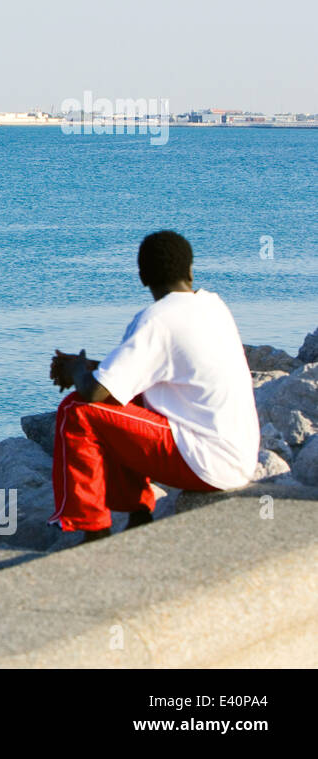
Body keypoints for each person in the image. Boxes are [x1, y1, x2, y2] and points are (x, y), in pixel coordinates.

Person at [48, 230, 260, 542]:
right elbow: (140, 373)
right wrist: (85, 369)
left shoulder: (156, 320)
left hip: (204, 462)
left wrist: (77, 369)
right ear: (190, 271)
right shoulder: (213, 305)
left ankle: (93, 529)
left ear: (142, 277)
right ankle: (137, 514)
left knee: (77, 409)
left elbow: (93, 394)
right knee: (120, 398)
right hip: (238, 456)